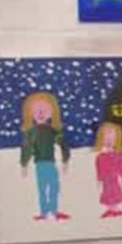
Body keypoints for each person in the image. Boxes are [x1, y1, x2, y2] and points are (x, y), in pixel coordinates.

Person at [19, 91, 72, 222]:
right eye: (37, 110)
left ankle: (52, 210)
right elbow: (27, 148)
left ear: (51, 112)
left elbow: (63, 144)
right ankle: (44, 212)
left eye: (45, 109)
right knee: (43, 189)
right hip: (40, 164)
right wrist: (24, 164)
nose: (41, 112)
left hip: (51, 163)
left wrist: (65, 159)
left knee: (54, 187)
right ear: (30, 112)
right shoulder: (31, 132)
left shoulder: (52, 130)